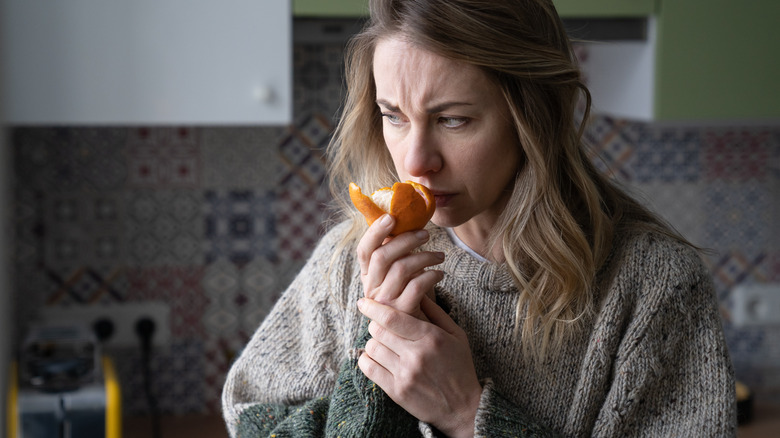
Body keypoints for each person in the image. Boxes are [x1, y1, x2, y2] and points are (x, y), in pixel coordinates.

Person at [222, 0, 737, 436]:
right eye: (393, 115)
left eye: (453, 119)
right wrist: (371, 376)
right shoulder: (349, 260)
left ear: (533, 117)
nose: (416, 159)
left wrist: (468, 416)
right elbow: (251, 417)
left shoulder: (652, 285)